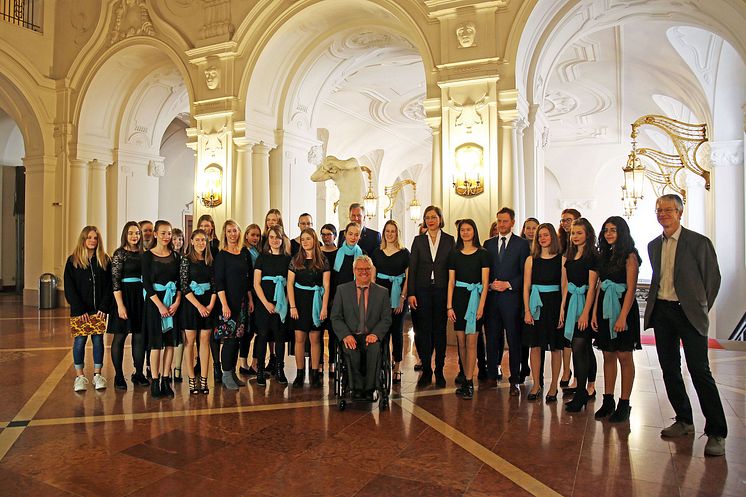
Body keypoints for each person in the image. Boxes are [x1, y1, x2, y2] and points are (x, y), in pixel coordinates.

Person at [644, 194, 726, 457]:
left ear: (680, 213)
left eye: (668, 210)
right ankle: (684, 419)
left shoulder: (698, 243)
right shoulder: (653, 245)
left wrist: (699, 307)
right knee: (669, 368)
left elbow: (712, 280)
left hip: (688, 312)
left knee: (699, 370)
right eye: (659, 210)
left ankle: (716, 432)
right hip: (663, 311)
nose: (663, 214)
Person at [591, 216, 641, 422]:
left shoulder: (630, 256)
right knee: (608, 355)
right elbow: (599, 285)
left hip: (623, 308)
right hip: (604, 307)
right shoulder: (603, 255)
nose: (609, 234)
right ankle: (608, 399)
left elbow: (631, 289)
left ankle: (624, 403)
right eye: (606, 230)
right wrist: (594, 312)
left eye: (613, 230)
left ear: (622, 232)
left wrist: (622, 317)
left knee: (624, 356)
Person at [331, 255, 392, 400]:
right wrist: (346, 335)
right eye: (360, 269)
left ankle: (370, 389)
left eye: (367, 269)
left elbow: (386, 318)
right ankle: (356, 388)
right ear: (354, 270)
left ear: (371, 271)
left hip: (371, 335)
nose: (363, 272)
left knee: (375, 348)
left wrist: (376, 334)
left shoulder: (382, 292)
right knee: (350, 349)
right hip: (351, 335)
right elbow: (336, 317)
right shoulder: (342, 290)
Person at [483, 207, 530, 395]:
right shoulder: (488, 244)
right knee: (492, 339)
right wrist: (488, 285)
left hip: (512, 300)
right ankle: (492, 375)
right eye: (499, 221)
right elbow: (484, 270)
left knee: (514, 340)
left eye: (505, 221)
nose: (501, 224)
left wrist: (508, 284)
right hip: (492, 300)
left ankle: (515, 380)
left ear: (512, 222)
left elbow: (525, 274)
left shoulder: (522, 244)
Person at [407, 206, 456, 388]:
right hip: (422, 290)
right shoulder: (418, 240)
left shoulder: (450, 240)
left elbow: (453, 268)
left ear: (440, 219)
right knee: (424, 331)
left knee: (439, 331)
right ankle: (426, 370)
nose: (430, 220)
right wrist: (411, 292)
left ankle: (439, 370)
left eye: (433, 217)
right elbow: (413, 268)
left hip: (442, 290)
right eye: (427, 217)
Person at [64, 226, 112, 392]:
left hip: (99, 310)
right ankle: (80, 376)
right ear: (83, 239)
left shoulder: (104, 260)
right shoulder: (73, 261)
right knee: (80, 341)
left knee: (98, 341)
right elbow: (70, 288)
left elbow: (109, 286)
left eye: (95, 238)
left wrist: (104, 307)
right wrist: (79, 309)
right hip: (80, 312)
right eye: (89, 237)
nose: (92, 240)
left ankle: (97, 374)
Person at [447, 219, 490, 400]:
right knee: (461, 342)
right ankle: (465, 376)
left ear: (474, 231)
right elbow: (451, 282)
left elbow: (486, 283)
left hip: (475, 300)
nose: (465, 232)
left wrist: (481, 306)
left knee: (472, 343)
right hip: (459, 299)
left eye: (468, 229)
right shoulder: (454, 255)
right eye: (462, 230)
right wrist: (449, 306)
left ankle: (470, 381)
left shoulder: (483, 254)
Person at [561, 218, 599, 412]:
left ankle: (582, 392)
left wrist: (586, 313)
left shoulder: (593, 255)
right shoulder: (570, 254)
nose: (575, 236)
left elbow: (592, 287)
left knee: (579, 346)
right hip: (571, 303)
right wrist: (562, 308)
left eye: (579, 233)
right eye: (573, 233)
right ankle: (587, 388)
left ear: (587, 234)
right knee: (583, 348)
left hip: (584, 303)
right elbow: (566, 284)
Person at [522, 223, 563, 402]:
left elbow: (564, 287)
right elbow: (526, 287)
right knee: (535, 346)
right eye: (540, 236)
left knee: (555, 347)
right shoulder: (531, 259)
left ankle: (554, 384)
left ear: (552, 237)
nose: (542, 238)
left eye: (546, 235)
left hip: (554, 304)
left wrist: (562, 310)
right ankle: (537, 383)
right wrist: (527, 310)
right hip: (536, 304)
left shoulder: (561, 259)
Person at [141, 220, 182, 399]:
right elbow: (147, 284)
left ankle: (166, 378)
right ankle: (155, 381)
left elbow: (181, 282)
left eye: (169, 233)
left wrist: (177, 302)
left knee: (170, 343)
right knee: (156, 344)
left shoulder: (176, 256)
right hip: (155, 304)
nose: (167, 237)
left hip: (172, 303)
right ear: (155, 234)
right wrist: (160, 306)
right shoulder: (147, 256)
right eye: (163, 233)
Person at [288, 228, 330, 387]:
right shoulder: (296, 260)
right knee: (299, 339)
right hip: (299, 302)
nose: (305, 242)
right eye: (303, 239)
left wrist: (324, 307)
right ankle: (299, 373)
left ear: (314, 240)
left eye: (308, 238)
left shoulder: (322, 260)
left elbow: (326, 285)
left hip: (316, 302)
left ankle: (314, 373)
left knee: (315, 338)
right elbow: (290, 284)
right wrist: (292, 306)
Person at [214, 220, 254, 390]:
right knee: (229, 340)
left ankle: (232, 372)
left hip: (242, 302)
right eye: (229, 231)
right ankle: (225, 374)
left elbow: (248, 279)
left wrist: (250, 299)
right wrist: (224, 304)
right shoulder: (221, 255)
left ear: (239, 232)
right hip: (227, 302)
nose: (232, 234)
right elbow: (219, 282)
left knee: (238, 339)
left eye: (235, 231)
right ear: (225, 233)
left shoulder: (244, 253)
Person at [108, 221, 147, 390]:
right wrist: (120, 305)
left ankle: (138, 373)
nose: (134, 236)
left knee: (139, 337)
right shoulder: (119, 254)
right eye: (131, 233)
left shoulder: (143, 253)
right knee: (120, 337)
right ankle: (118, 375)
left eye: (137, 233)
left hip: (140, 296)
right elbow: (115, 281)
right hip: (123, 296)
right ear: (125, 234)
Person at [371, 220, 410, 384]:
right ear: (384, 233)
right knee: (383, 331)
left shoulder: (404, 252)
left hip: (399, 295)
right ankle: (384, 362)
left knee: (397, 330)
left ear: (397, 233)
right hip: (381, 296)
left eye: (393, 231)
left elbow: (408, 277)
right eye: (387, 231)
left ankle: (398, 365)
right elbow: (373, 276)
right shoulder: (377, 252)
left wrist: (402, 298)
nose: (390, 234)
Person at [254, 225, 292, 385]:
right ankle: (261, 371)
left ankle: (279, 369)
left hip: (281, 302)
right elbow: (256, 284)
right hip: (264, 303)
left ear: (282, 239)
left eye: (278, 237)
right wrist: (266, 304)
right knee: (262, 336)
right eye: (271, 237)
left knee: (279, 337)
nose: (275, 240)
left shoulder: (287, 259)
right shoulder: (261, 258)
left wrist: (286, 304)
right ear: (267, 239)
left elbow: (290, 284)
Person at [180, 229, 217, 395]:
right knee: (190, 341)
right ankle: (192, 379)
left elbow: (216, 285)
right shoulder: (186, 260)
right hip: (191, 304)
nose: (201, 243)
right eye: (198, 240)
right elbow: (184, 285)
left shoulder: (210, 260)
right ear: (192, 242)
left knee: (205, 340)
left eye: (204, 240)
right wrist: (199, 306)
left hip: (208, 302)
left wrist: (209, 305)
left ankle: (203, 379)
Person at [557, 208, 581, 390]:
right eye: (563, 220)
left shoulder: (582, 247)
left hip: (577, 294)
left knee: (579, 339)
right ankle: (566, 371)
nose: (565, 223)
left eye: (569, 220)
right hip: (561, 292)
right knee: (564, 337)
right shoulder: (559, 243)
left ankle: (582, 379)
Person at [238, 223, 263, 378]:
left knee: (257, 330)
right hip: (249, 294)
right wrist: (250, 298)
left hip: (258, 293)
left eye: (257, 235)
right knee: (247, 331)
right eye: (252, 235)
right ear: (246, 235)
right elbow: (246, 276)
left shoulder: (258, 251)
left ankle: (255, 363)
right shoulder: (244, 252)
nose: (255, 238)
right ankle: (243, 363)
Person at [319, 223, 339, 377]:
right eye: (323, 234)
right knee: (318, 332)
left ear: (335, 236)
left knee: (333, 332)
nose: (326, 237)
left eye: (329, 234)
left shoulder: (339, 253)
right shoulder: (317, 253)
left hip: (335, 296)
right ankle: (318, 364)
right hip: (318, 296)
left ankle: (332, 364)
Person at [171, 227, 186, 383]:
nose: (177, 242)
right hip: (168, 298)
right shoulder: (167, 257)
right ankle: (165, 368)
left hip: (181, 299)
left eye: (180, 239)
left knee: (181, 335)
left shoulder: (184, 258)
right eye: (175, 239)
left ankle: (178, 369)